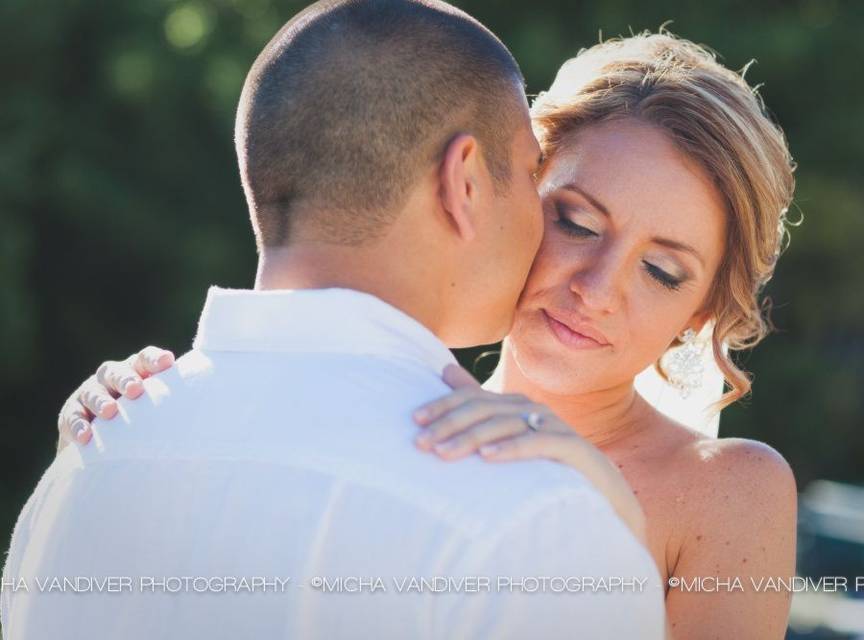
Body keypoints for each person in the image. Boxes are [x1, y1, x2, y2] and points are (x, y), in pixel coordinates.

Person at [55, 24, 800, 640]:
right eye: (575, 222)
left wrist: (608, 517)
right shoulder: (386, 421)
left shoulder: (730, 491)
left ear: (700, 312)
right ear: (504, 192)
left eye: (663, 272)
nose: (597, 289)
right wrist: (130, 444)